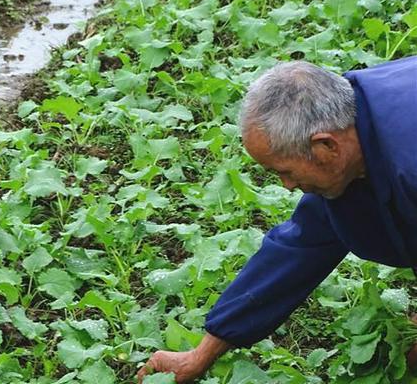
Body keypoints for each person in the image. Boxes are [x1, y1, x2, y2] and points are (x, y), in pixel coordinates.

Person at [137, 56, 417, 382]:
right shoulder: (352, 121)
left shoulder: (407, 164)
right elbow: (300, 247)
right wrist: (200, 355)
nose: (286, 186)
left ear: (325, 146)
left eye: (283, 171)